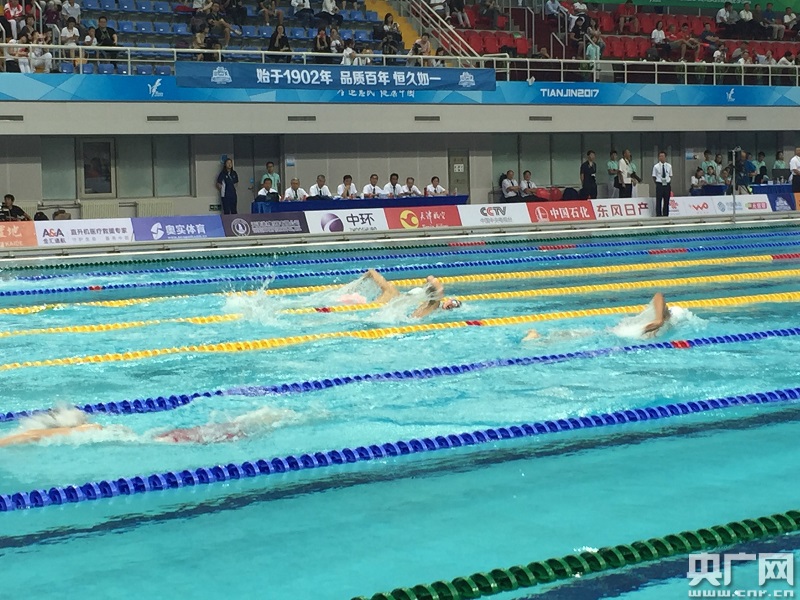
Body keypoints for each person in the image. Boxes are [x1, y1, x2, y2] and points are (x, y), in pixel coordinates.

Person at [0, 406, 302, 447]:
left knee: (204, 437)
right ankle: (252, 421)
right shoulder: (81, 429)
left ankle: (253, 421)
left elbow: (31, 435)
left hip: (138, 442)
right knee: (202, 435)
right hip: (137, 439)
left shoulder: (79, 431)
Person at [360, 269, 461, 318]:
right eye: (453, 302)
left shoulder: (432, 306)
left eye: (454, 305)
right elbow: (433, 283)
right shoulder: (433, 305)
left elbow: (371, 271)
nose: (451, 305)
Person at [651, 151, 672, 217]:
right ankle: (658, 214)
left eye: (662, 156)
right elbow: (654, 176)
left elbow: (670, 175)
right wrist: (657, 183)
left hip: (667, 184)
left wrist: (668, 181)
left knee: (666, 200)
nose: (661, 157)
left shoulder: (669, 166)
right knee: (659, 200)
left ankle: (666, 214)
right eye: (660, 156)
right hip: (659, 184)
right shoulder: (656, 166)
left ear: (665, 157)